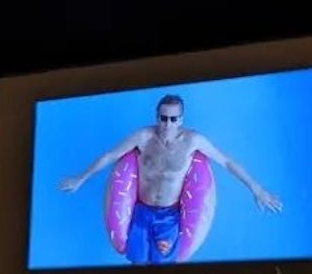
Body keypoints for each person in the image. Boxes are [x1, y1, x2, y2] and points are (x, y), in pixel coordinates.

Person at [60, 94, 283, 264]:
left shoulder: (193, 141)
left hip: (169, 216)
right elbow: (111, 155)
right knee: (136, 260)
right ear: (157, 117)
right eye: (163, 118)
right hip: (141, 211)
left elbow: (226, 161)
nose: (167, 124)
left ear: (181, 119)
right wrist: (81, 178)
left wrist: (257, 189)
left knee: (163, 264)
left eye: (173, 119)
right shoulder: (144, 138)